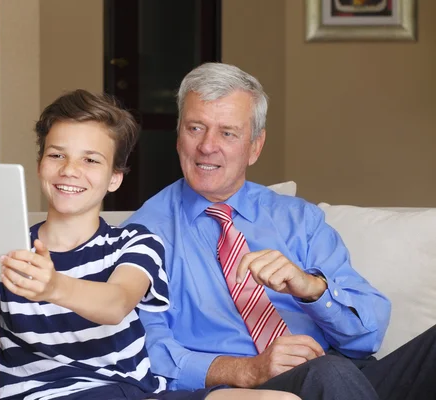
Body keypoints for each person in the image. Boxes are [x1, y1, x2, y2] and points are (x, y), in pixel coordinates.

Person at [0, 89, 300, 400]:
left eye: (91, 160)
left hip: (136, 391)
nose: (70, 170)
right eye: (56, 155)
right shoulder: (10, 246)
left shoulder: (135, 242)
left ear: (114, 179)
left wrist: (53, 286)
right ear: (41, 163)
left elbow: (115, 304)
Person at [126, 63, 436, 400]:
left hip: (347, 378)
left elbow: (367, 336)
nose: (207, 146)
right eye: (195, 128)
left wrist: (312, 289)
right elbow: (141, 352)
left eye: (227, 133)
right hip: (249, 388)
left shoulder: (299, 219)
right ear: (178, 136)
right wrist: (246, 370)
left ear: (256, 146)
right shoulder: (144, 234)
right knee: (326, 371)